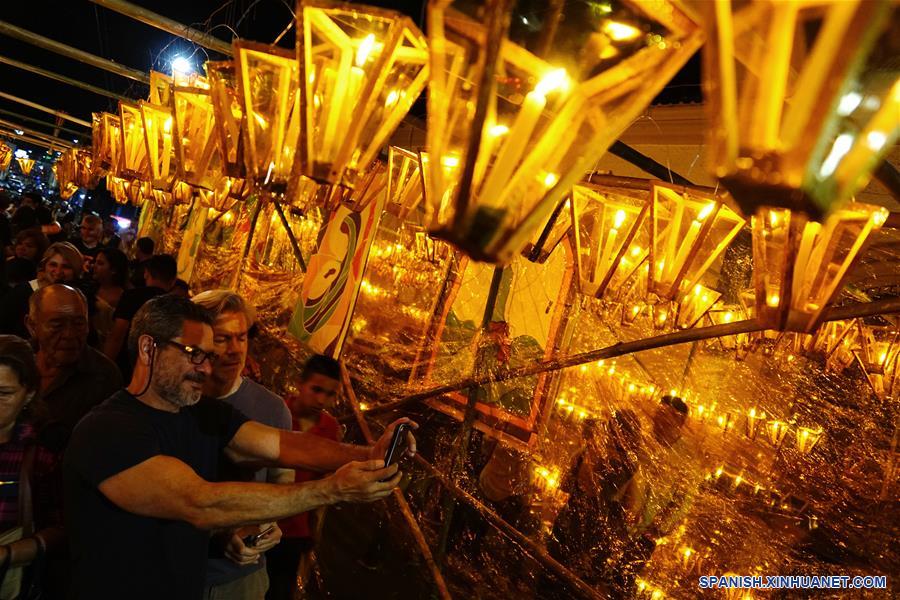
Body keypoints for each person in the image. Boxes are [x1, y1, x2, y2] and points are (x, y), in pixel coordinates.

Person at [64, 295, 416, 600]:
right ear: (147, 348)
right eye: (193, 354)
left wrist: (367, 454)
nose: (205, 368)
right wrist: (332, 489)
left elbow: (282, 445)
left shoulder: (201, 412)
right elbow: (200, 502)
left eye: (209, 355)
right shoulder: (108, 430)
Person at [191, 290, 294, 599]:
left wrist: (268, 525)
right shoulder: (178, 398)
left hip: (240, 581)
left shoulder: (272, 409)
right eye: (223, 339)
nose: (236, 350)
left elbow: (282, 484)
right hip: (176, 569)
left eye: (242, 338)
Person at [266, 355, 342, 600]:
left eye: (330, 394)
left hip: (295, 532)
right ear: (300, 384)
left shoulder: (330, 429)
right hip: (262, 519)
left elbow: (325, 485)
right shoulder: (278, 414)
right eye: (316, 390)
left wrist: (313, 535)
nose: (322, 400)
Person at [546, 411, 644, 595]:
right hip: (599, 537)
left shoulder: (587, 451)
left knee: (553, 571)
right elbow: (632, 509)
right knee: (580, 584)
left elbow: (565, 484)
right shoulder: (634, 468)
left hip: (570, 521)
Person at [0, 336, 65, 599]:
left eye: (3, 394)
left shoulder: (38, 456)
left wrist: (8, 554)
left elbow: (62, 531)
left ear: (28, 394)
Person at [26, 284, 122, 453]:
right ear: (32, 326)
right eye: (57, 325)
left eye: (79, 324)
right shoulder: (16, 362)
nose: (69, 334)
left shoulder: (103, 376)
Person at [103, 253, 176, 379]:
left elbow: (117, 335)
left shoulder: (132, 296)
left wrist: (104, 366)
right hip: (157, 371)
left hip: (125, 365)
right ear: (173, 280)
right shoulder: (176, 305)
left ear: (146, 273)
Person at [0, 243, 84, 339]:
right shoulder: (21, 293)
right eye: (53, 265)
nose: (58, 271)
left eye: (66, 267)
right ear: (45, 266)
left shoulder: (78, 297)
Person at [91, 248, 129, 348]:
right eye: (95, 262)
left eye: (100, 263)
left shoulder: (123, 298)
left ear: (113, 270)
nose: (94, 266)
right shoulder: (91, 289)